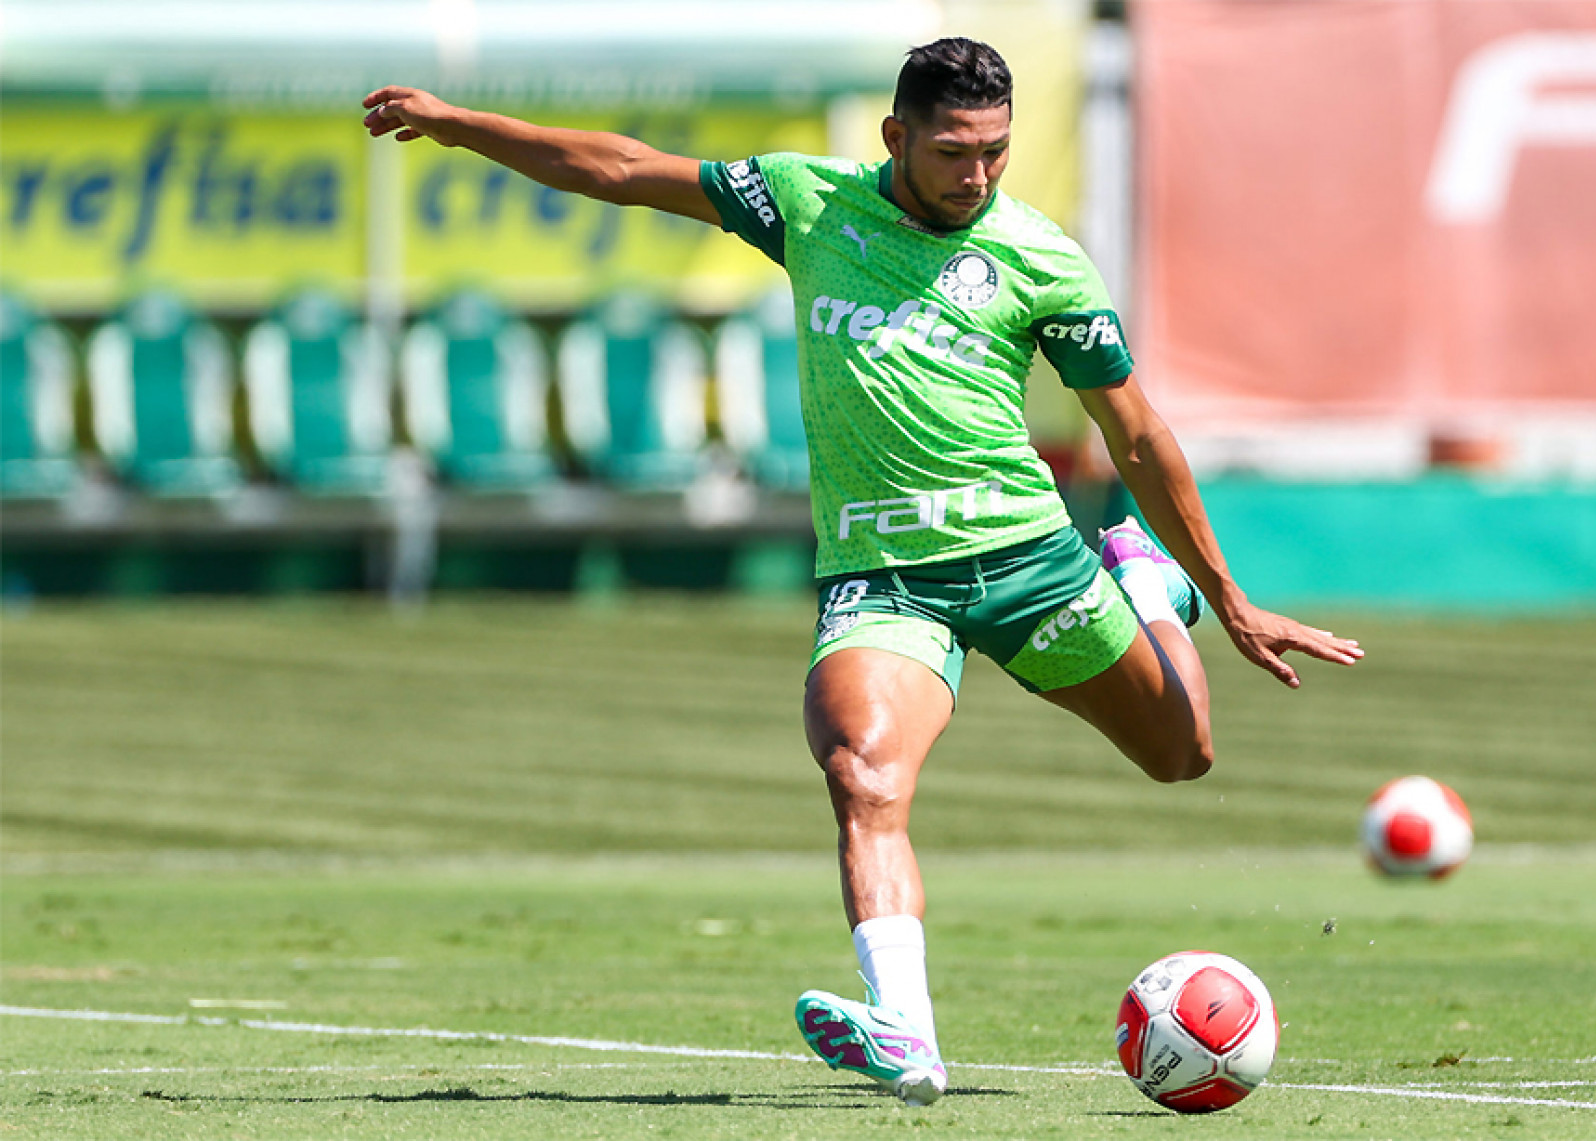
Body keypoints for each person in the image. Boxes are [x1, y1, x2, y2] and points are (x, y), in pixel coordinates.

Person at [362, 36, 1362, 1107]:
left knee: (1183, 754)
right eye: (952, 152)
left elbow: (1138, 436)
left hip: (1030, 556)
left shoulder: (1042, 258)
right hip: (884, 576)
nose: (976, 175)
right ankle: (909, 1036)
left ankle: (1144, 586)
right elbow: (617, 168)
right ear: (896, 138)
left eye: (994, 152)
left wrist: (1222, 597)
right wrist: (462, 126)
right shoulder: (808, 203)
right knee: (861, 775)